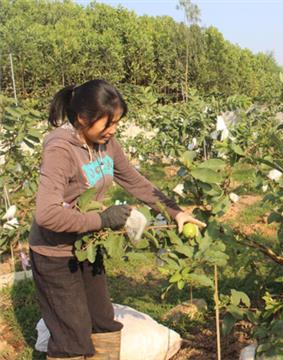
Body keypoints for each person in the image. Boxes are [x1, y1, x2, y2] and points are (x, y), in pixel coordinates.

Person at [29, 79, 204, 360]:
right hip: (56, 254)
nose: (112, 131)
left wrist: (175, 211)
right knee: (72, 339)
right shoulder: (60, 148)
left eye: (116, 124)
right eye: (107, 124)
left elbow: (134, 180)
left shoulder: (106, 144)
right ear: (82, 118)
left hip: (88, 245)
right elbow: (47, 214)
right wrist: (103, 219)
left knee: (103, 323)